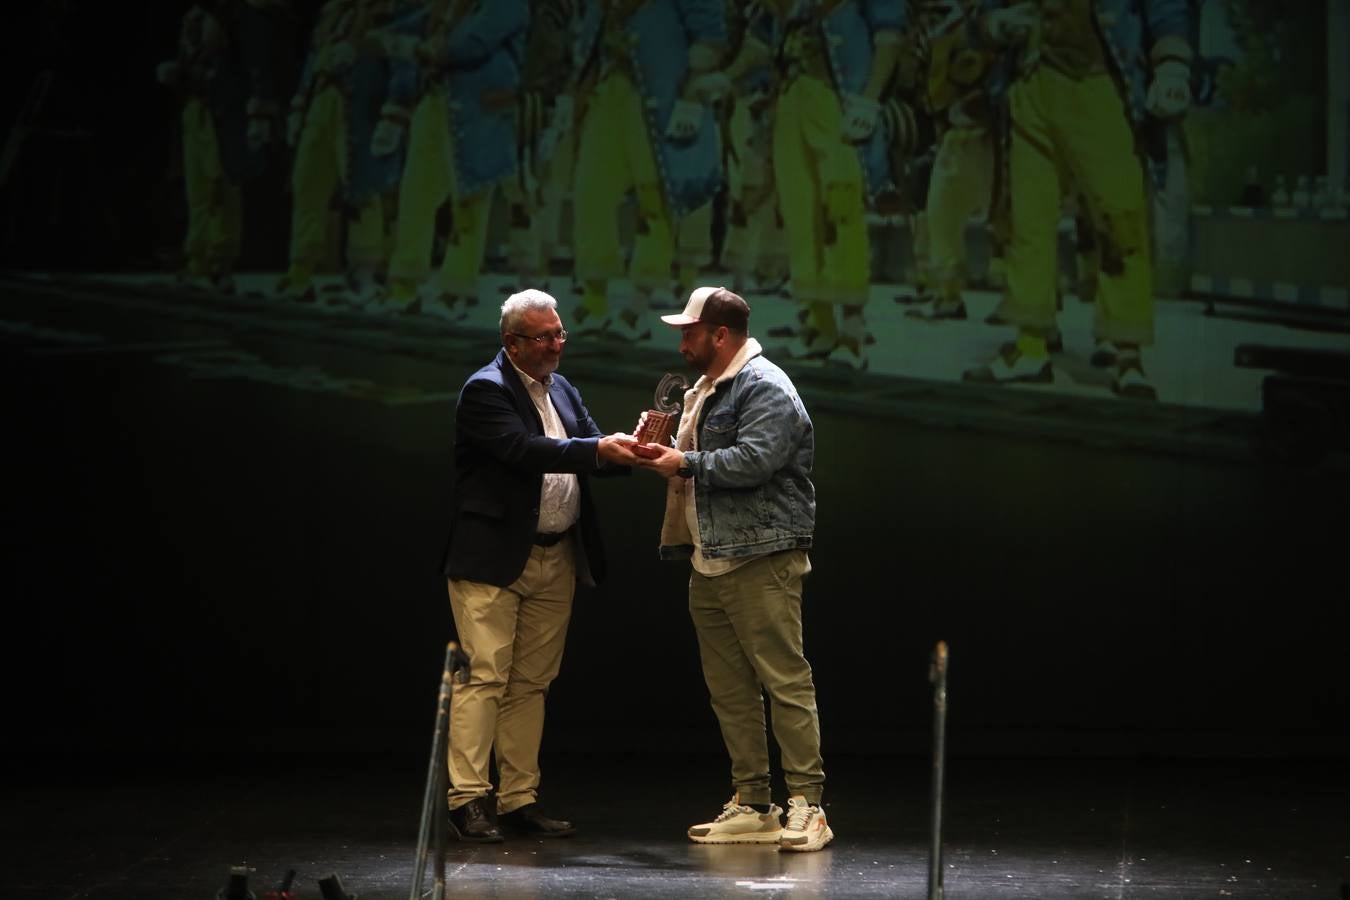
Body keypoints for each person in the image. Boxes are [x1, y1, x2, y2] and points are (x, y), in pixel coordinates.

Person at [631, 286, 832, 852]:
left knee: (784, 680)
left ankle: (808, 805)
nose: (682, 340)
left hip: (760, 557)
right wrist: (663, 445)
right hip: (710, 558)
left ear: (721, 335)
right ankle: (753, 803)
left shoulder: (765, 386)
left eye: (689, 331)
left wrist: (683, 459)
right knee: (731, 690)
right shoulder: (708, 388)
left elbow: (754, 460)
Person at [440, 288, 639, 842]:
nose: (556, 345)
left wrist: (634, 447)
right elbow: (522, 449)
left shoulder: (563, 388)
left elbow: (589, 445)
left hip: (557, 555)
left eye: (559, 334)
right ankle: (467, 800)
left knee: (531, 683)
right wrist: (598, 449)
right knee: (486, 677)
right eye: (545, 337)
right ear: (512, 342)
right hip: (494, 559)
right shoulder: (486, 390)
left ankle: (516, 800)